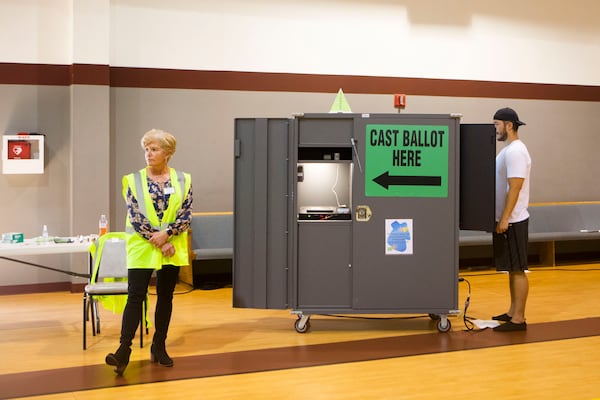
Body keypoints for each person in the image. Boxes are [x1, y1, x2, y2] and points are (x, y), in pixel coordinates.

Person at [105, 129, 193, 374]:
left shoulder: (183, 179)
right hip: (143, 245)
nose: (148, 154)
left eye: (154, 149)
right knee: (135, 296)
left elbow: (186, 214)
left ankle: (159, 345)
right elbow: (135, 216)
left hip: (171, 244)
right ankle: (123, 350)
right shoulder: (133, 179)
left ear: (168, 153)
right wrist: (160, 240)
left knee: (166, 296)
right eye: (146, 149)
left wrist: (168, 234)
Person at [490, 108, 531, 332]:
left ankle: (519, 319)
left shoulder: (516, 151)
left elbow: (515, 187)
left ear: (509, 125)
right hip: (507, 218)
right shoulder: (508, 150)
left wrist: (505, 218)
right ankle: (512, 311)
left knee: (518, 269)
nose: (495, 129)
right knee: (511, 268)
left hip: (514, 219)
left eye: (497, 124)